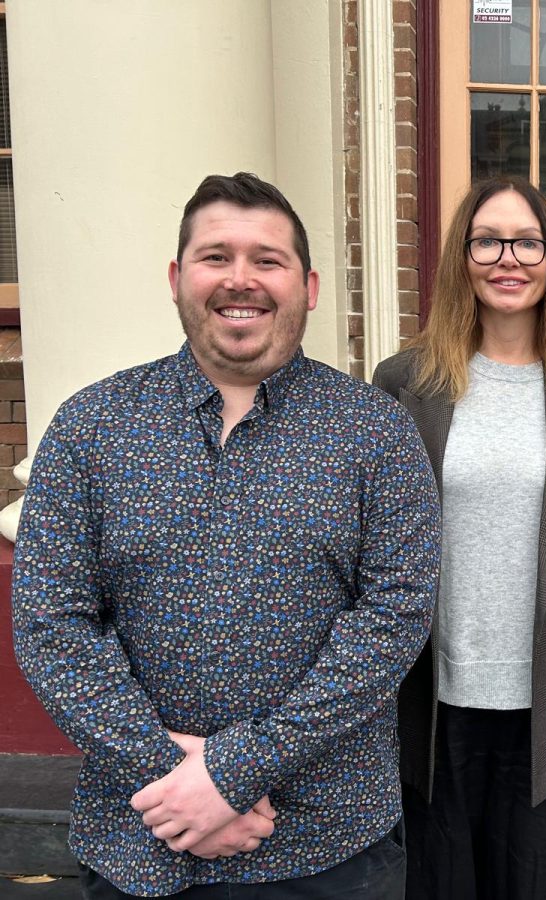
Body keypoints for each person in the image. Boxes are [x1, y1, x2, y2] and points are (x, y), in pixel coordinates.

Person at [12, 172, 440, 899]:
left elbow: (394, 619)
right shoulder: (91, 427)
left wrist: (232, 773)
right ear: (178, 278)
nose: (240, 279)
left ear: (307, 286)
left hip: (329, 847)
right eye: (216, 256)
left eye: (266, 260)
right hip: (142, 839)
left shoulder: (375, 433)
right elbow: (50, 623)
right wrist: (170, 779)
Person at [372, 176, 546, 900]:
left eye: (526, 242)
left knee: (542, 878)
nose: (507, 258)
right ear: (462, 255)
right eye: (487, 240)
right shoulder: (405, 381)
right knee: (443, 876)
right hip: (439, 683)